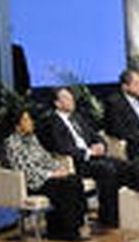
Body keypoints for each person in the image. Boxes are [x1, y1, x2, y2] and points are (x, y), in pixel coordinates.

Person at [36, 87, 123, 228]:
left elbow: (95, 135)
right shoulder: (53, 122)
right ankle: (109, 218)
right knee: (107, 170)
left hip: (93, 157)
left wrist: (100, 145)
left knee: (121, 165)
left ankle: (121, 212)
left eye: (71, 97)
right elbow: (62, 148)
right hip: (77, 162)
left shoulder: (77, 117)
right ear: (57, 103)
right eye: (67, 99)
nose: (72, 101)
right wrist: (88, 153)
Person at [2, 109, 88, 241]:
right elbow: (25, 170)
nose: (31, 122)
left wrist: (59, 169)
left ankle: (74, 225)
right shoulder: (12, 144)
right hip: (33, 182)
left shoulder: (32, 138)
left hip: (46, 178)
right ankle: (69, 231)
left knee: (74, 180)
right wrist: (51, 174)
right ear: (17, 126)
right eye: (26, 120)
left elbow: (46, 158)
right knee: (66, 185)